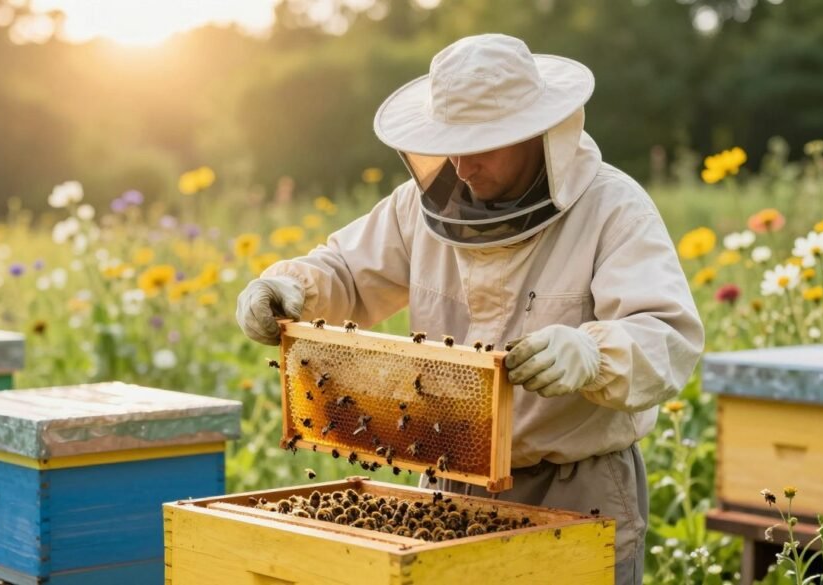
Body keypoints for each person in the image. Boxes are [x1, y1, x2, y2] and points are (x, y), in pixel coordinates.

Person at [235, 33, 703, 584]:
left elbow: (667, 336)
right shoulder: (419, 208)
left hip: (577, 485)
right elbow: (346, 272)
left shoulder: (612, 207)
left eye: (482, 144)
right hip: (449, 478)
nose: (462, 165)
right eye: (451, 143)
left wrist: (593, 354)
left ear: (536, 134)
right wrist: (287, 287)